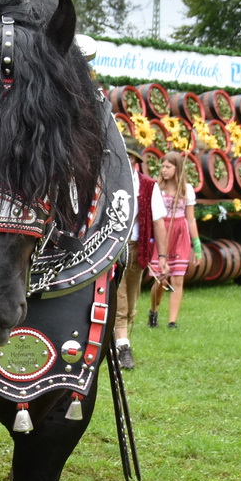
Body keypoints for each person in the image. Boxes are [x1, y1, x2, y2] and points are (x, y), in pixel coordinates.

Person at [112, 141, 155, 370]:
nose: (127, 161)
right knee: (119, 301)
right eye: (124, 156)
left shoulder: (147, 186)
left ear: (137, 161)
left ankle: (122, 343)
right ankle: (123, 347)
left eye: (131, 157)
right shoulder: (112, 182)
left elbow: (158, 222)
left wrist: (164, 256)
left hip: (137, 247)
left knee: (132, 301)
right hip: (117, 246)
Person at [147, 151, 199, 329]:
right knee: (161, 279)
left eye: (168, 167)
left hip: (180, 234)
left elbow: (190, 219)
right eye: (163, 166)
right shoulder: (157, 189)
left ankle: (172, 321)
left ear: (177, 169)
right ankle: (153, 311)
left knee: (177, 279)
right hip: (162, 232)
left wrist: (197, 245)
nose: (164, 170)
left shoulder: (186, 190)